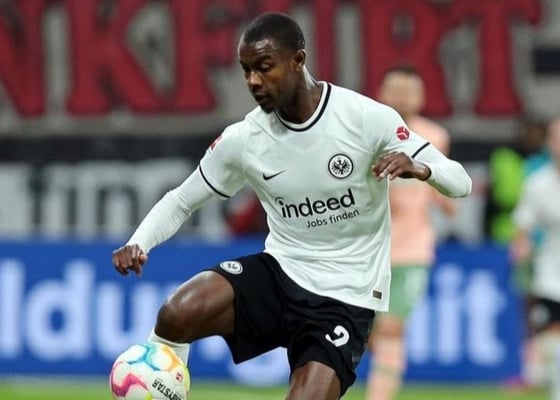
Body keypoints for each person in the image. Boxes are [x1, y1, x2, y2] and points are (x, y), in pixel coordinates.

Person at [111, 12, 472, 399]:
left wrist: (421, 169)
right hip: (281, 273)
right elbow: (182, 200)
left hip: (345, 296)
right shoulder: (244, 139)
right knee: (176, 313)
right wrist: (139, 241)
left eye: (264, 67)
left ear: (298, 60)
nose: (253, 81)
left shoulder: (365, 119)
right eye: (246, 70)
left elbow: (460, 182)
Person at [364, 65, 457, 400]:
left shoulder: (435, 137)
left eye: (410, 91)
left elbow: (443, 188)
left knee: (392, 330)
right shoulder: (366, 136)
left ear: (421, 97)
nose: (403, 97)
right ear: (381, 94)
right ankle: (386, 371)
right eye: (397, 90)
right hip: (368, 252)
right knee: (370, 334)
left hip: (413, 252)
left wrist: (447, 198)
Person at [510, 116, 560, 395]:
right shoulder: (538, 184)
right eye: (556, 138)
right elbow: (523, 227)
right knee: (552, 335)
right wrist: (521, 250)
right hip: (551, 272)